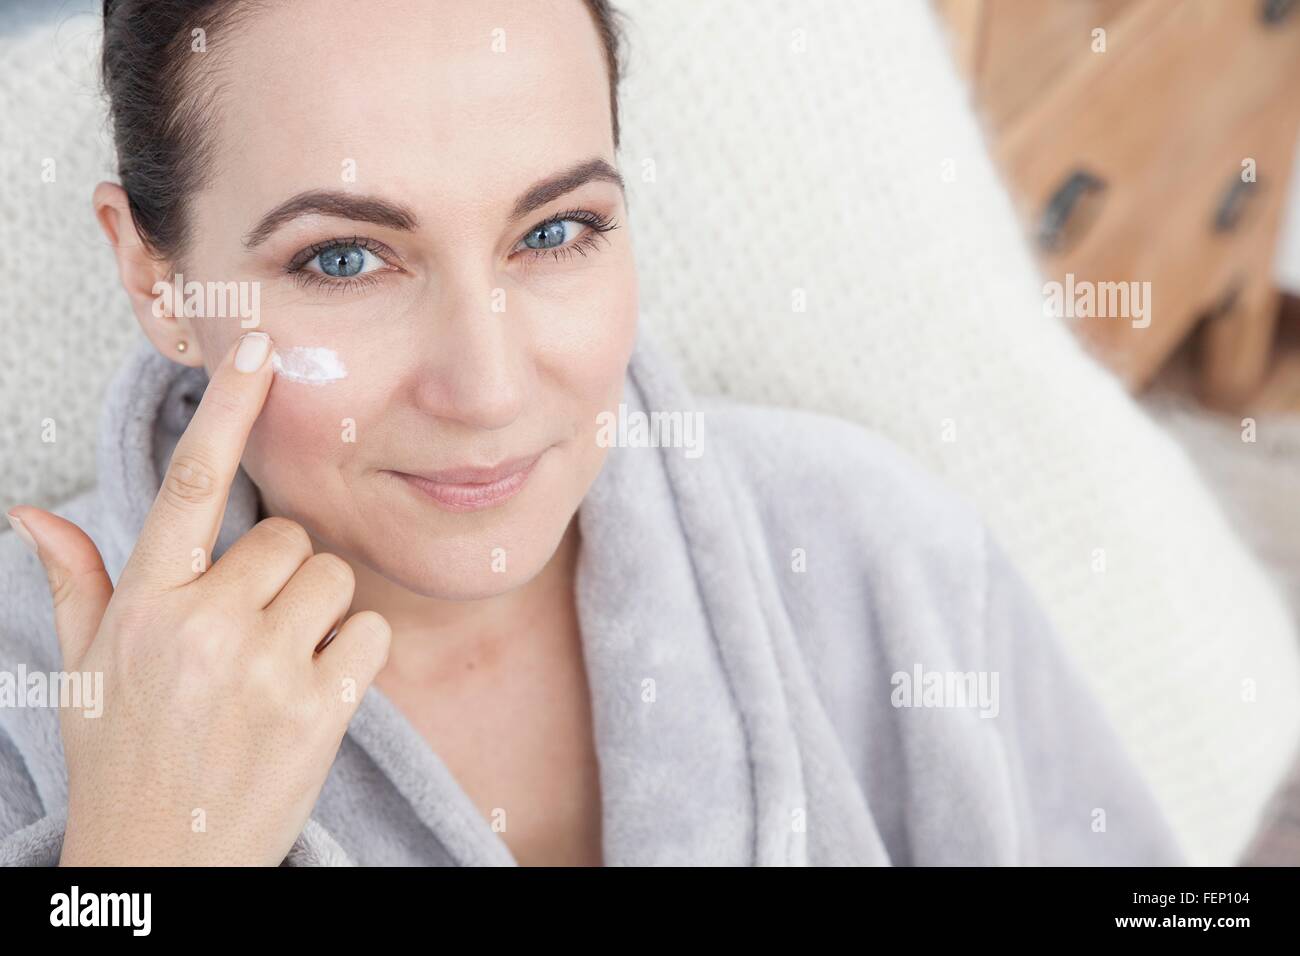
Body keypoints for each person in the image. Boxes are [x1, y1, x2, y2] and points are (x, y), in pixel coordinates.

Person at [0, 0, 1183, 866]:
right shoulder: (30, 699)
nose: (489, 385)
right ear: (157, 279)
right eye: (345, 258)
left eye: (556, 232)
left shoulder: (876, 550)